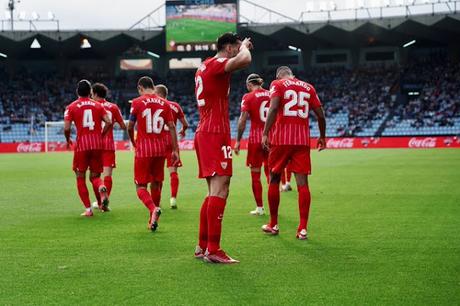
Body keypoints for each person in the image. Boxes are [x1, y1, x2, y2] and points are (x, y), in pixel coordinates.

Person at [194, 33, 253, 264]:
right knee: (221, 189)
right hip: (214, 132)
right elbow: (245, 60)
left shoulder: (203, 66)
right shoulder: (218, 63)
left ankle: (202, 246)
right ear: (229, 48)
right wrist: (245, 47)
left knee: (212, 192)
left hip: (206, 130)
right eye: (236, 47)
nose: (239, 50)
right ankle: (214, 250)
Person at [261, 66, 326, 240]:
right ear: (292, 75)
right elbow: (320, 114)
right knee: (303, 184)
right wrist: (322, 136)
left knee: (274, 178)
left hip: (281, 140)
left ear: (279, 76)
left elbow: (274, 108)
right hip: (302, 141)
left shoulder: (277, 84)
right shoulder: (308, 87)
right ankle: (303, 228)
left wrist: (265, 132)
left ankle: (273, 224)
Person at [127, 76, 179, 232]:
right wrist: (175, 149)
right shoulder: (165, 103)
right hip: (160, 149)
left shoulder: (137, 102)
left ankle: (153, 209)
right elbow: (171, 127)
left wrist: (133, 142)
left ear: (140, 88)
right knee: (156, 183)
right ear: (153, 86)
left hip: (144, 149)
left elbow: (130, 126)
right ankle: (152, 221)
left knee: (140, 186)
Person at [64, 79, 112, 217]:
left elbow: (67, 128)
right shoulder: (98, 105)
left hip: (82, 146)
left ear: (77, 91)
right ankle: (102, 191)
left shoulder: (71, 107)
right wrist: (101, 135)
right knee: (95, 177)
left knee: (80, 177)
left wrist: (68, 139)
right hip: (97, 144)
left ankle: (88, 209)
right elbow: (109, 122)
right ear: (90, 92)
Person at [234, 73, 270, 216]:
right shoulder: (271, 94)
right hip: (271, 138)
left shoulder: (247, 97)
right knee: (273, 174)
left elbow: (242, 120)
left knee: (255, 175)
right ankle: (274, 207)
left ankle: (260, 208)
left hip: (255, 140)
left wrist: (237, 140)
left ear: (249, 85)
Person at [90, 83, 127, 211]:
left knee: (94, 176)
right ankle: (104, 203)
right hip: (109, 145)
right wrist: (114, 123)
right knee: (108, 176)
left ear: (94, 93)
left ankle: (100, 201)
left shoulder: (92, 106)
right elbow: (123, 126)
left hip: (94, 145)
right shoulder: (113, 107)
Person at [154, 84, 189, 209]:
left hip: (158, 141)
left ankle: (157, 201)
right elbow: (185, 124)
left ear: (158, 93)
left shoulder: (156, 105)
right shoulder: (175, 106)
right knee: (173, 172)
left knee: (157, 173)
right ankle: (173, 198)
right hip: (172, 141)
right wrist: (183, 130)